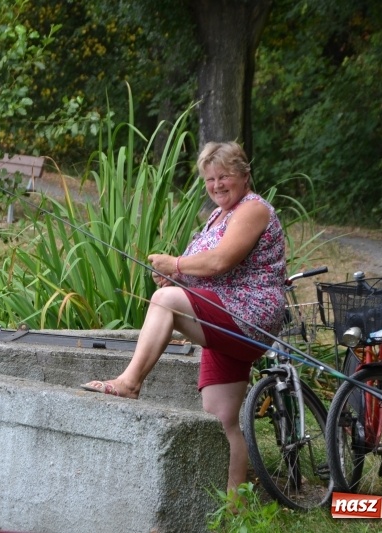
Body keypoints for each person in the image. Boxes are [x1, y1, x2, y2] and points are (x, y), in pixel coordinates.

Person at [80, 141, 286, 500]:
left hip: (246, 314)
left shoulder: (253, 210)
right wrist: (179, 277)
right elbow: (204, 269)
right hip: (224, 313)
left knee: (165, 302)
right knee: (221, 420)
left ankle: (129, 382)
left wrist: (175, 267)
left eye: (224, 176)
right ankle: (235, 510)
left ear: (244, 174)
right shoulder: (217, 216)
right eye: (210, 179)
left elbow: (220, 261)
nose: (217, 184)